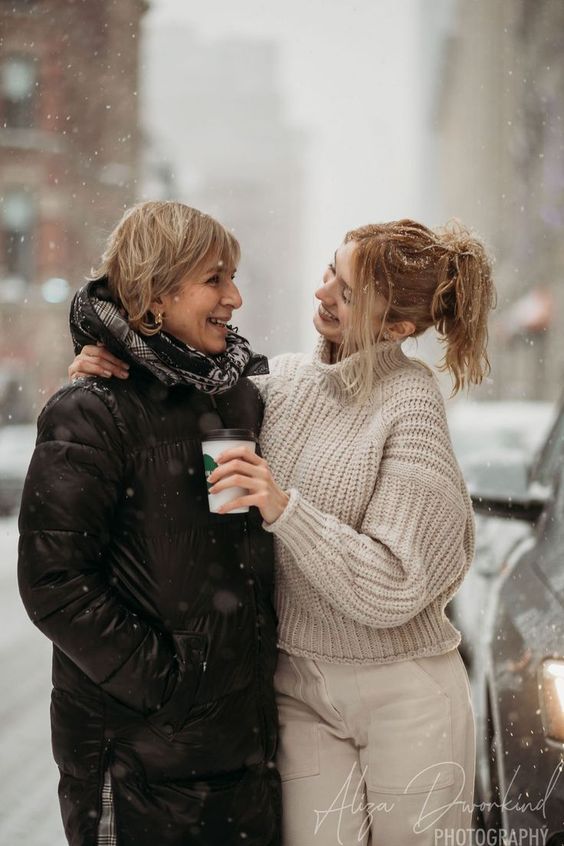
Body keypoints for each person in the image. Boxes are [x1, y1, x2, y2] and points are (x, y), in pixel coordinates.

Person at [69, 217, 496, 845]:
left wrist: (285, 509)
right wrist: (98, 374)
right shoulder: (286, 383)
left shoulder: (410, 406)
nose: (323, 293)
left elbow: (396, 585)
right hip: (298, 687)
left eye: (348, 293)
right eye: (330, 271)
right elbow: (177, 401)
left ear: (397, 328)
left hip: (402, 692)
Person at [18, 201, 281, 846]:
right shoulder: (90, 411)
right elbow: (53, 581)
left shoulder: (235, 394)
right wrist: (171, 683)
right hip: (136, 760)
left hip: (241, 758)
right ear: (158, 293)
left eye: (234, 277)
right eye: (215, 279)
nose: (235, 297)